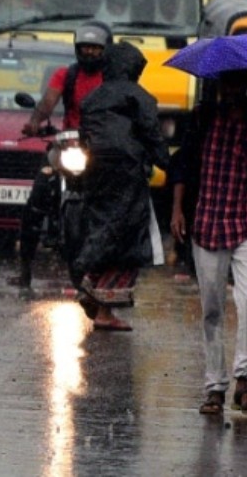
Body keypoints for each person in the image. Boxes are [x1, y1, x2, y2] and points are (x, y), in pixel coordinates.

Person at [169, 69, 247, 416]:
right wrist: (177, 210)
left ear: (246, 86)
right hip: (207, 219)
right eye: (226, 83)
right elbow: (184, 166)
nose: (231, 90)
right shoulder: (202, 117)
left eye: (237, 83)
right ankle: (215, 387)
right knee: (212, 308)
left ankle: (243, 381)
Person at [75, 42, 168, 330]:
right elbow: (152, 137)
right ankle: (104, 308)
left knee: (103, 231)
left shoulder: (91, 99)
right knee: (129, 242)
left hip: (95, 175)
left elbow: (84, 138)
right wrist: (169, 164)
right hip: (129, 177)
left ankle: (90, 282)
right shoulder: (141, 98)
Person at [13, 21, 112, 291]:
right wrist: (35, 122)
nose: (89, 52)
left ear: (106, 50)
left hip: (100, 148)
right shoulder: (66, 75)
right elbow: (48, 102)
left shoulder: (112, 79)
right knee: (37, 198)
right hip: (67, 145)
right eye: (85, 47)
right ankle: (25, 269)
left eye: (95, 48)